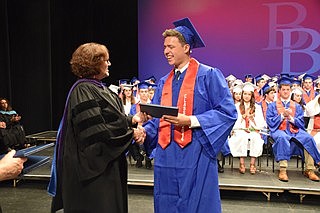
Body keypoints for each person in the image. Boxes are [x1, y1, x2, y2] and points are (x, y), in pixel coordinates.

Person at [140, 18, 237, 213]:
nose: (166, 51)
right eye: (164, 47)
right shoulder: (163, 82)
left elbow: (228, 113)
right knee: (167, 200)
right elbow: (160, 119)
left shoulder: (209, 75)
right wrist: (144, 131)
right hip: (166, 155)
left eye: (171, 46)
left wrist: (191, 120)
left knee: (195, 202)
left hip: (195, 152)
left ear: (186, 47)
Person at [47, 42, 147, 213]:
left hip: (107, 167)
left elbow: (111, 118)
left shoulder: (100, 88)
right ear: (93, 63)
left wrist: (132, 120)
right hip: (94, 173)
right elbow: (96, 132)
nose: (109, 64)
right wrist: (132, 134)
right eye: (105, 60)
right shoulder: (83, 90)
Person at [266, 77, 320, 182]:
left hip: (294, 130)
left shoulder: (297, 106)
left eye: (288, 89)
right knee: (282, 137)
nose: (286, 92)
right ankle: (283, 169)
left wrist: (291, 118)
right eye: (283, 89)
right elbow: (270, 122)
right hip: (279, 130)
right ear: (279, 91)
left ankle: (310, 169)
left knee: (308, 138)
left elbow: (301, 123)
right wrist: (282, 116)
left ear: (290, 91)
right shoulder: (273, 106)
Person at [228, 82, 265, 174]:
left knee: (256, 138)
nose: (246, 96)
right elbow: (233, 121)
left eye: (249, 94)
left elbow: (261, 123)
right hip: (240, 130)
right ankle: (242, 164)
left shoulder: (257, 107)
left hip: (252, 130)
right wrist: (243, 118)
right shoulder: (236, 107)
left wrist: (252, 120)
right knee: (242, 138)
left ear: (252, 95)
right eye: (245, 94)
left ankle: (252, 164)